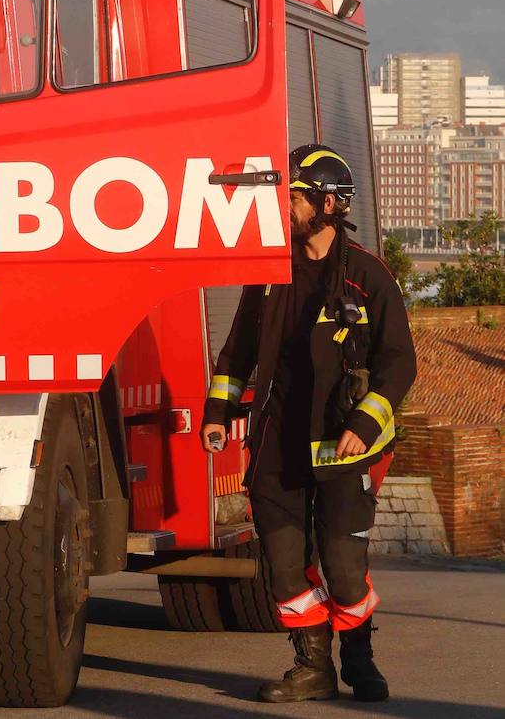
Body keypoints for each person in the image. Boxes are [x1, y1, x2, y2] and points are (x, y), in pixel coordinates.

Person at [201, 144, 417, 704]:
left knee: (344, 567)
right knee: (284, 564)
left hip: (345, 447)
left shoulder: (369, 277)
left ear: (328, 203)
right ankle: (311, 667)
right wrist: (218, 413)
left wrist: (365, 426)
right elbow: (237, 353)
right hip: (279, 443)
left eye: (293, 196)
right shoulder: (270, 274)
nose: (285, 206)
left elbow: (400, 362)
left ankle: (360, 660)